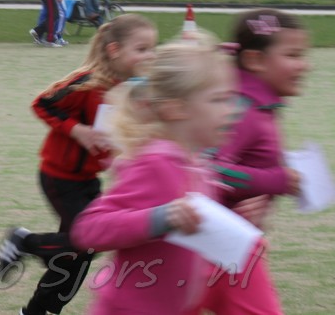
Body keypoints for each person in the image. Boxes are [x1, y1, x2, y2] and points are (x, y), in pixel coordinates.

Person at [0, 14, 158, 315]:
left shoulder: (132, 88)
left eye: (152, 49)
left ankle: (38, 311)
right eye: (142, 49)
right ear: (114, 50)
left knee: (82, 252)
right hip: (60, 177)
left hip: (88, 180)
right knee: (85, 242)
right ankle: (24, 241)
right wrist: (76, 130)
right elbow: (42, 103)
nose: (149, 56)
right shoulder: (87, 82)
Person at [70, 38, 239, 315]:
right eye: (218, 100)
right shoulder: (156, 163)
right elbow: (89, 229)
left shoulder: (197, 165)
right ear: (176, 109)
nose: (231, 110)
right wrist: (160, 218)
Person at [199, 9, 309, 315]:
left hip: (230, 246)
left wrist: (259, 192)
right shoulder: (242, 108)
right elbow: (205, 171)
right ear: (254, 60)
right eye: (293, 55)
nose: (304, 65)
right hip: (216, 247)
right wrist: (276, 180)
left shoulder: (258, 105)